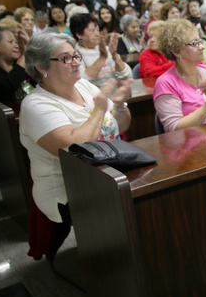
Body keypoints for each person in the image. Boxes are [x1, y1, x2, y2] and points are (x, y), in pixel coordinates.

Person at [19, 32, 131, 226]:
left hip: (107, 170)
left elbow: (122, 125)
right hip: (68, 188)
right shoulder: (36, 104)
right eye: (65, 58)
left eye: (76, 56)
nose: (76, 62)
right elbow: (74, 148)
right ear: (41, 67)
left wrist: (120, 106)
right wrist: (100, 108)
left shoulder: (83, 85)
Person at [152, 19, 206, 132]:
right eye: (194, 44)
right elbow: (174, 129)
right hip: (194, 147)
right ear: (176, 51)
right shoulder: (166, 83)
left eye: (200, 41)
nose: (202, 47)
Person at [70, 13, 132, 85]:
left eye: (98, 30)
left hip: (115, 92)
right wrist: (102, 58)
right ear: (79, 34)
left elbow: (128, 76)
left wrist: (115, 56)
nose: (97, 34)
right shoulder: (74, 55)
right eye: (92, 30)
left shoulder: (106, 49)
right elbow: (82, 82)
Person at [0, 26, 33, 104]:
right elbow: (11, 83)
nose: (17, 46)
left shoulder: (18, 64)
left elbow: (32, 86)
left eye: (16, 42)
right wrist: (26, 51)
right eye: (10, 42)